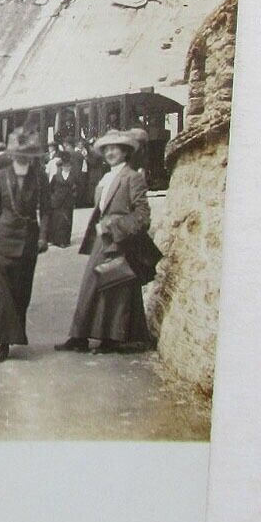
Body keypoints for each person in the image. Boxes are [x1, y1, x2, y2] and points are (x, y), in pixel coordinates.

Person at [55, 129, 162, 354]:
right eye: (107, 149)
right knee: (91, 286)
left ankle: (109, 339)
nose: (111, 152)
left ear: (125, 151)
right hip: (102, 240)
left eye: (115, 148)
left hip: (118, 240)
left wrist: (113, 227)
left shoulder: (132, 177)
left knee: (113, 288)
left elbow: (142, 215)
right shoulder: (106, 177)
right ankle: (80, 336)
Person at [0, 128, 51, 363]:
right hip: (3, 240)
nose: (23, 156)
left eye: (27, 152)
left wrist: (43, 237)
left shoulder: (40, 177)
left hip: (29, 241)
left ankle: (15, 334)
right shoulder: (1, 176)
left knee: (21, 292)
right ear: (12, 154)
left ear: (33, 155)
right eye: (19, 152)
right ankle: (3, 343)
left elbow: (46, 210)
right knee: (1, 295)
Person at [48, 151, 77, 247]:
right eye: (64, 165)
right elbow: (50, 188)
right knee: (57, 221)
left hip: (68, 202)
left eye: (68, 165)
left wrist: (73, 196)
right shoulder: (56, 176)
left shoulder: (73, 176)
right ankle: (55, 240)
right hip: (57, 201)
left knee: (66, 221)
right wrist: (53, 198)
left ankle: (64, 240)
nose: (66, 167)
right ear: (61, 167)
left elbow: (77, 188)